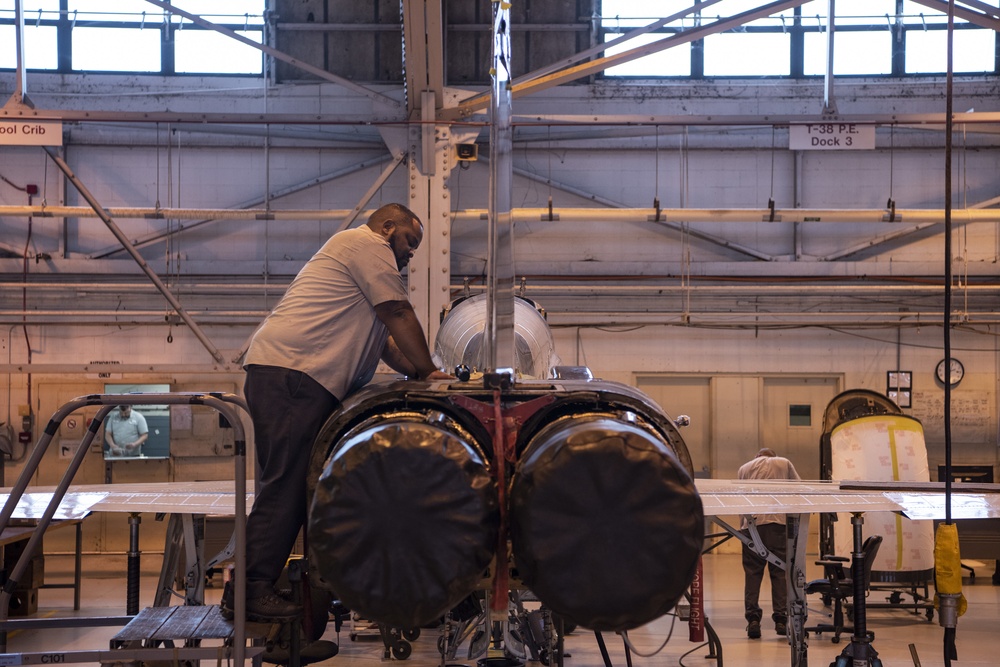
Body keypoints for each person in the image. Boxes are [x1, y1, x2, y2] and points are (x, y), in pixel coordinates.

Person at [227, 203, 454, 623]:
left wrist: (426, 375)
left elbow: (388, 344)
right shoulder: (365, 245)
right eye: (409, 241)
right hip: (294, 374)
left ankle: (290, 584)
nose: (410, 254)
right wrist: (428, 370)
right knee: (287, 486)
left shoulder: (360, 265)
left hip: (295, 375)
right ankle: (249, 590)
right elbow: (398, 313)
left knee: (302, 487)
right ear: (387, 227)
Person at [738, 447, 801, 639]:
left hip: (751, 526)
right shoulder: (784, 463)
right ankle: (781, 620)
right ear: (773, 456)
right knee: (779, 573)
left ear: (757, 456)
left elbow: (738, 499)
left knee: (752, 574)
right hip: (777, 524)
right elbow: (798, 489)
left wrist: (742, 530)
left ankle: (753, 620)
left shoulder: (744, 468)